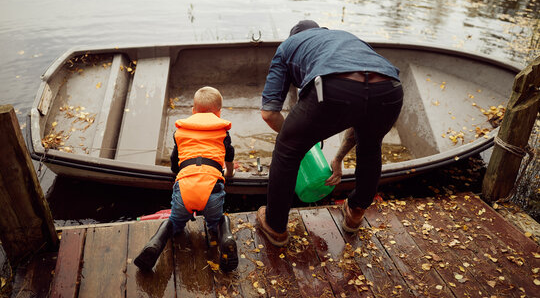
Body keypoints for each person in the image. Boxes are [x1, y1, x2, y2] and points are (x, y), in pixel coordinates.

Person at [256, 20, 403, 246]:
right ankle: (355, 212)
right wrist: (338, 158)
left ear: (293, 36)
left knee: (287, 149)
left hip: (335, 86)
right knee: (371, 145)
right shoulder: (344, 36)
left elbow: (269, 113)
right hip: (389, 89)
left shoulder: (288, 46)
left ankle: (275, 225)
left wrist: (299, 141)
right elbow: (361, 109)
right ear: (320, 31)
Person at [134, 86, 238, 272]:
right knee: (215, 224)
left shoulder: (180, 132)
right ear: (218, 112)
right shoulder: (222, 132)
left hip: (184, 188)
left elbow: (175, 162)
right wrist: (229, 174)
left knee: (175, 222)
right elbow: (229, 156)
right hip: (212, 188)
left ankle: (155, 243)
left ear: (193, 110)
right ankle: (226, 236)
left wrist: (178, 173)